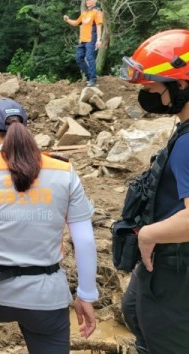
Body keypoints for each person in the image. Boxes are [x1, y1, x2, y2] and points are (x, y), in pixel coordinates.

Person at [0, 98, 98, 354]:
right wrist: (86, 294)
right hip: (46, 299)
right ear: (25, 129)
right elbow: (84, 240)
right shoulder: (64, 171)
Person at [119, 29, 189, 354]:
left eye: (152, 84)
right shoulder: (183, 133)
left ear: (181, 84)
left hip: (176, 266)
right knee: (136, 312)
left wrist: (148, 234)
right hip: (165, 263)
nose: (147, 91)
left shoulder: (188, 145)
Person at [63, 0, 103, 87]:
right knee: (78, 58)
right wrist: (68, 20)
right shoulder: (84, 13)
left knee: (89, 57)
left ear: (95, 0)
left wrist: (99, 39)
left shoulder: (97, 12)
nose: (87, 1)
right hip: (83, 40)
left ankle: (93, 78)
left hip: (91, 39)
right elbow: (76, 23)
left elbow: (99, 26)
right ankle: (89, 76)